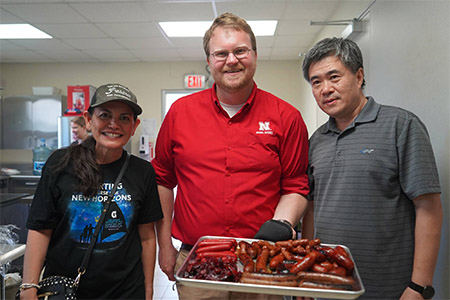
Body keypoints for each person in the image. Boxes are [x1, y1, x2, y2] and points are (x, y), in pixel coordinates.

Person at [152, 12, 309, 300]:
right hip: (197, 260)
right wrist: (165, 245)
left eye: (240, 51)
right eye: (221, 53)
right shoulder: (180, 113)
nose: (232, 60)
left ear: (255, 55)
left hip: (262, 262)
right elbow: (162, 180)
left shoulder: (286, 117)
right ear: (209, 62)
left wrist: (282, 224)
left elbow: (296, 186)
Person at [302, 37, 443, 300]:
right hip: (327, 286)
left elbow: (429, 208)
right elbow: (311, 208)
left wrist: (419, 287)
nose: (325, 89)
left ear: (358, 76)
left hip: (390, 289)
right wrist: (308, 277)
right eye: (316, 81)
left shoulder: (401, 126)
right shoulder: (316, 141)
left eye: (334, 77)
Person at [19, 83, 163, 300]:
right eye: (105, 115)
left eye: (124, 118)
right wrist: (28, 287)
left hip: (125, 291)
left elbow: (147, 238)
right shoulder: (60, 164)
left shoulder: (142, 171)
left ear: (134, 126)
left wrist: (148, 290)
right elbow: (40, 228)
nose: (114, 124)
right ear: (88, 119)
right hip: (66, 290)